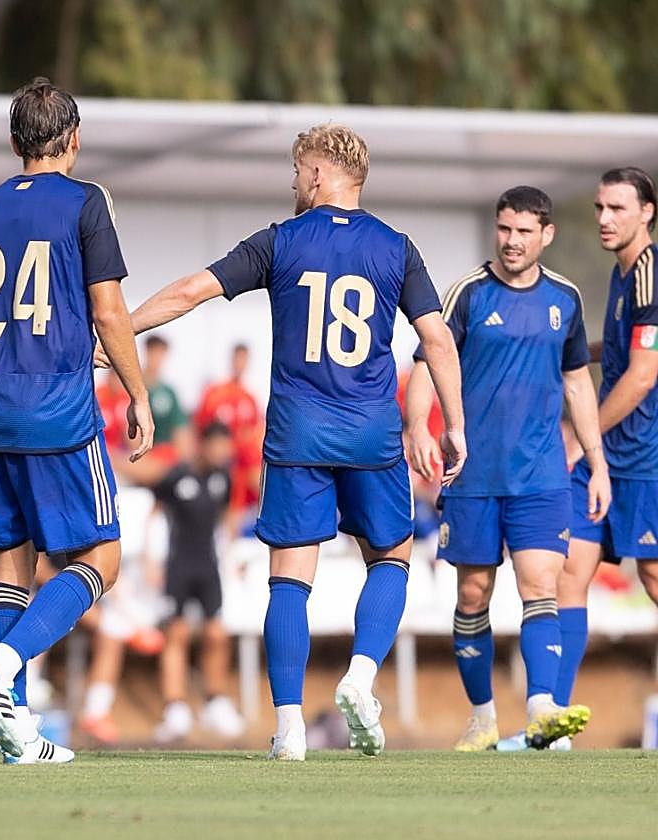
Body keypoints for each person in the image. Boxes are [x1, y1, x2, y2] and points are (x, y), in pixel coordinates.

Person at [108, 123, 465, 761]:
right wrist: (451, 423)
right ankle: (359, 677)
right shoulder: (397, 247)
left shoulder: (280, 240)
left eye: (299, 170)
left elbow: (192, 290)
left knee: (289, 578)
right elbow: (435, 340)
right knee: (391, 558)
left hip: (298, 433)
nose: (294, 181)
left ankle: (290, 727)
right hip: (369, 433)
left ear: (323, 174)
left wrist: (118, 328)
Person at [0, 77, 154, 763]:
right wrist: (137, 393)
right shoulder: (85, 203)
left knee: (9, 569)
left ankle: (15, 734)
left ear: (13, 141)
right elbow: (110, 311)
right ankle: (2, 668)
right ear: (76, 139)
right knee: (103, 561)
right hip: (59, 411)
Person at [404, 186, 604, 752]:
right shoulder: (466, 292)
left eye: (523, 232)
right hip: (472, 475)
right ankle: (482, 716)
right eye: (504, 229)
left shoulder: (564, 299)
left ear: (546, 235)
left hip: (542, 475)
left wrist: (596, 460)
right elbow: (427, 362)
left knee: (542, 585)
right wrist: (419, 425)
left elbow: (575, 382)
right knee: (473, 593)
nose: (512, 241)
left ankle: (542, 708)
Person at [558, 167, 658, 720]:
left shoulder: (650, 277)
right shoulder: (625, 275)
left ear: (647, 212)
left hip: (644, 458)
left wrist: (583, 435)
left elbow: (643, 375)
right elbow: (622, 352)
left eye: (617, 208)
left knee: (652, 577)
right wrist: (573, 350)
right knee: (571, 572)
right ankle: (555, 714)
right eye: (600, 207)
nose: (603, 218)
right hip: (607, 460)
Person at [121, 422, 245, 742]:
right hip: (178, 566)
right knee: (175, 633)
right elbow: (154, 512)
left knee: (216, 633)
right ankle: (175, 707)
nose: (222, 452)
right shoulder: (178, 476)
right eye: (216, 445)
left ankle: (215, 699)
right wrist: (151, 559)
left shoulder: (223, 478)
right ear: (203, 445)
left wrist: (231, 555)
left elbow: (228, 515)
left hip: (209, 567)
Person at [196, 343, 264, 519]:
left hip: (242, 461)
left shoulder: (249, 398)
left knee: (251, 467)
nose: (240, 364)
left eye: (244, 360)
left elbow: (256, 432)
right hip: (219, 457)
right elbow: (202, 427)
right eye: (237, 359)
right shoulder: (215, 393)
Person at [143, 334, 191, 461]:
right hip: (141, 455)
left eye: (161, 354)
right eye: (154, 353)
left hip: (164, 456)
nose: (157, 359)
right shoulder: (133, 388)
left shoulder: (168, 392)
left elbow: (180, 429)